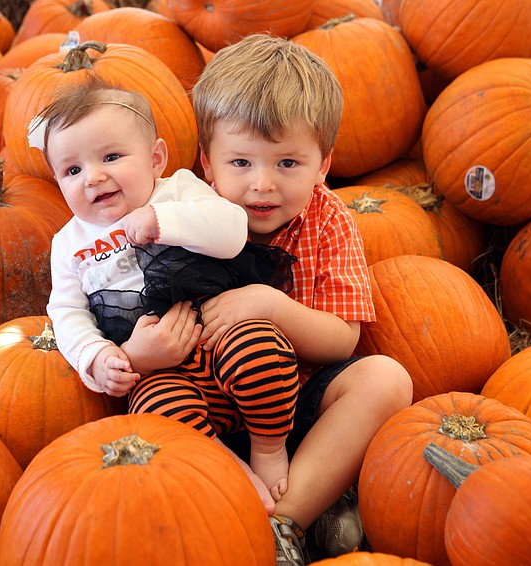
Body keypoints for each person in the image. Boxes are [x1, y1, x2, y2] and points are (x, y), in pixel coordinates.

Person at [190, 34, 414, 564]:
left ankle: (284, 523)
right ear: (207, 162)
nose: (262, 184)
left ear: (323, 165)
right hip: (214, 413)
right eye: (240, 163)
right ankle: (270, 503)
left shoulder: (329, 222)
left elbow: (343, 340)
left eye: (288, 164)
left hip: (302, 409)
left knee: (385, 379)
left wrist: (272, 307)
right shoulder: (187, 217)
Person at [29, 74, 300, 511]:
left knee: (261, 352)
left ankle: (268, 446)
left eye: (112, 157)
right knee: (155, 416)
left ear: (155, 158)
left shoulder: (177, 190)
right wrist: (98, 357)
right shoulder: (69, 243)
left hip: (218, 333)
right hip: (158, 370)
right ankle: (226, 465)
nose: (93, 178)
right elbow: (66, 312)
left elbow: (232, 231)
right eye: (73, 170)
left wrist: (165, 221)